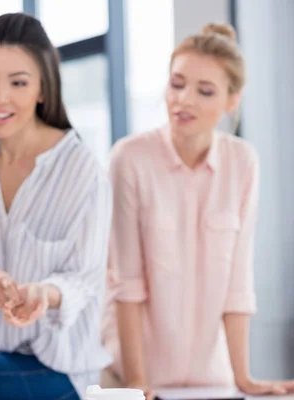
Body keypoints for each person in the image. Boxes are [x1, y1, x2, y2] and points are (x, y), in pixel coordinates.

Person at [101, 23, 294, 397]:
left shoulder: (243, 162)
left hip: (212, 378)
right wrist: (138, 383)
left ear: (231, 100)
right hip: (133, 376)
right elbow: (125, 281)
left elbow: (237, 282)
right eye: (177, 84)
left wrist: (244, 379)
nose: (184, 99)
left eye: (204, 91)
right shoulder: (130, 158)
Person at [0, 13, 112, 400]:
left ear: (41, 89)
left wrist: (44, 293)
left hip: (66, 368)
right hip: (4, 354)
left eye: (18, 82)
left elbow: (85, 278)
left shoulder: (80, 167)